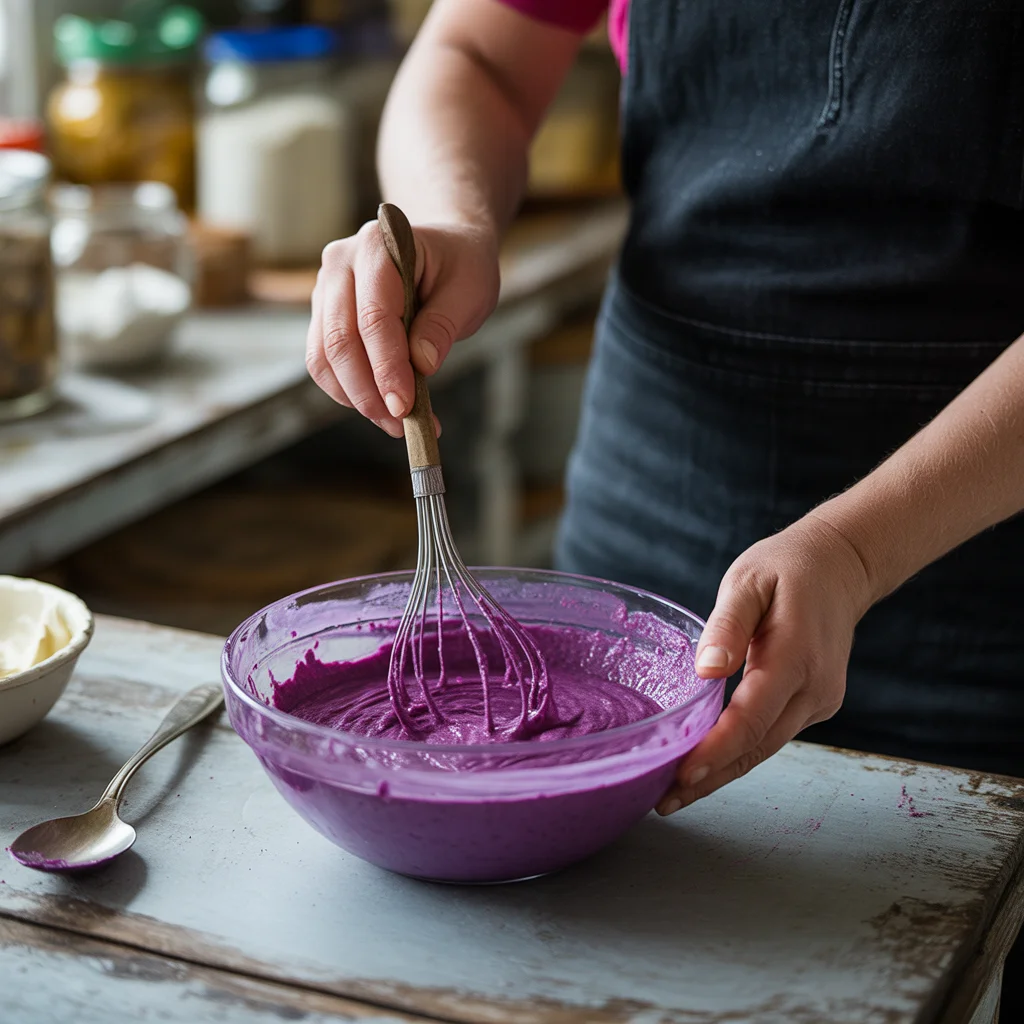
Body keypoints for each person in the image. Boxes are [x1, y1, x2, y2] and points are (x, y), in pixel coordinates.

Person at [306, 0, 1024, 1006]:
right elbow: (480, 55)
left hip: (983, 549)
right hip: (659, 482)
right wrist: (448, 219)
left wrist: (857, 552)